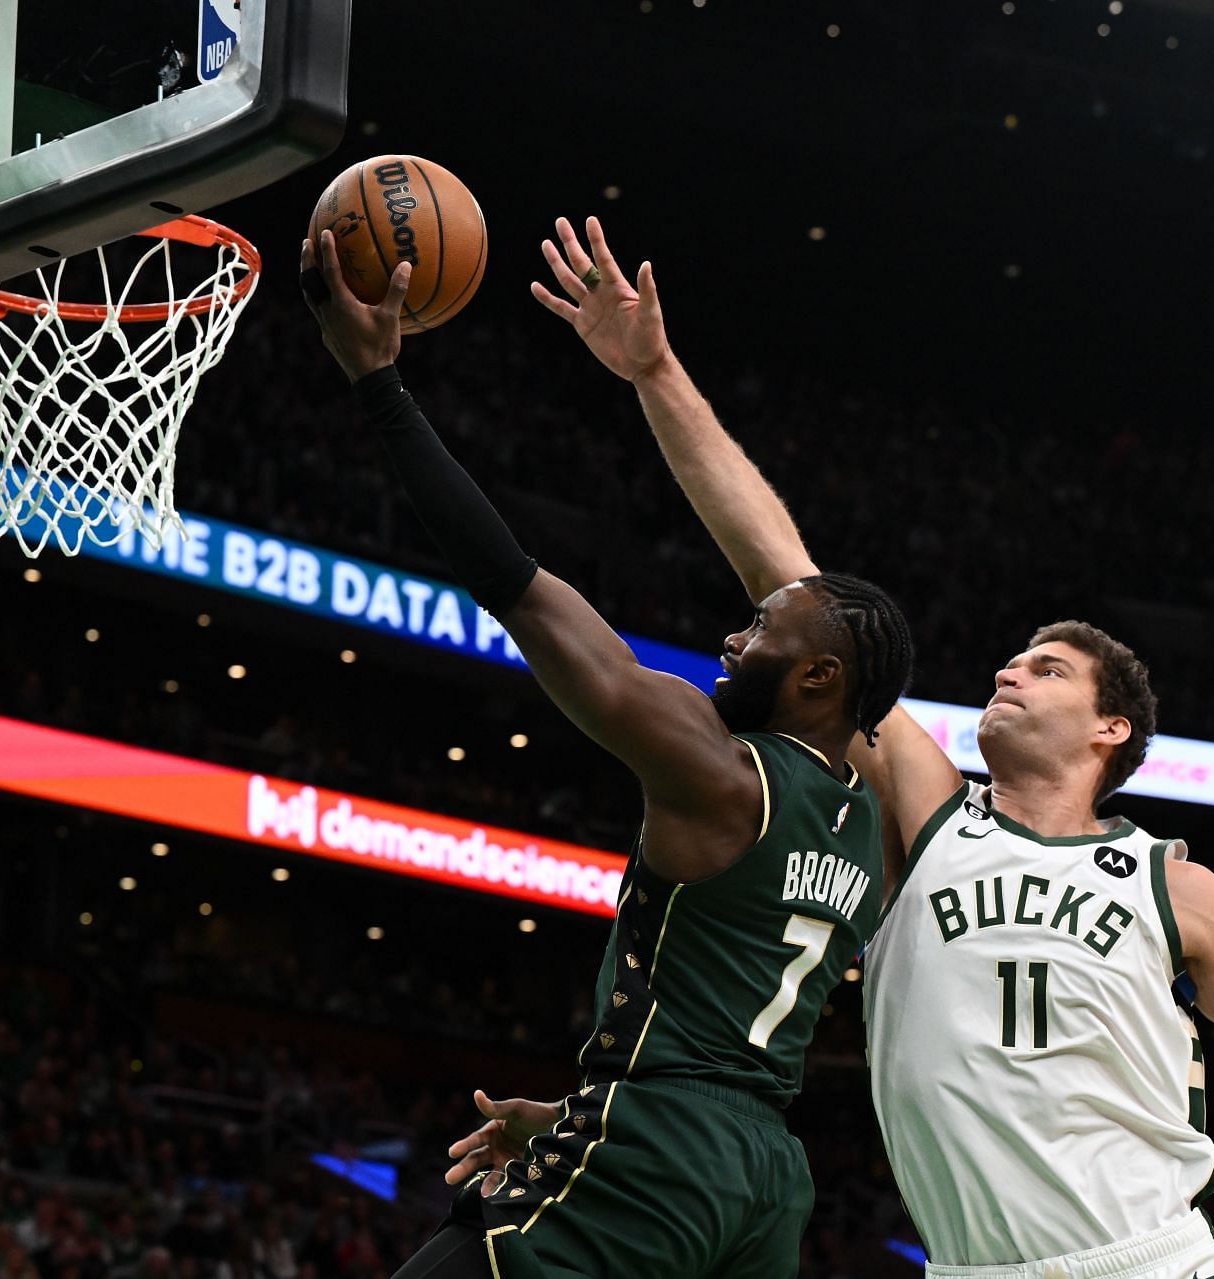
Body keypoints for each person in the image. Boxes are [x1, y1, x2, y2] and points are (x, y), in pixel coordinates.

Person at [499, 215, 1214, 1279]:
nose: (1008, 672)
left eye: (1047, 669)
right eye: (1011, 659)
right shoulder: (930, 814)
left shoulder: (1177, 888)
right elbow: (782, 568)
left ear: (1112, 727)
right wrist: (656, 373)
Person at [299, 229, 915, 1279]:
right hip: (767, 1176)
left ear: (819, 681)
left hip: (660, 1144)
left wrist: (379, 386)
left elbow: (515, 583)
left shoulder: (718, 768)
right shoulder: (879, 831)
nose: (734, 635)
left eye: (763, 627)